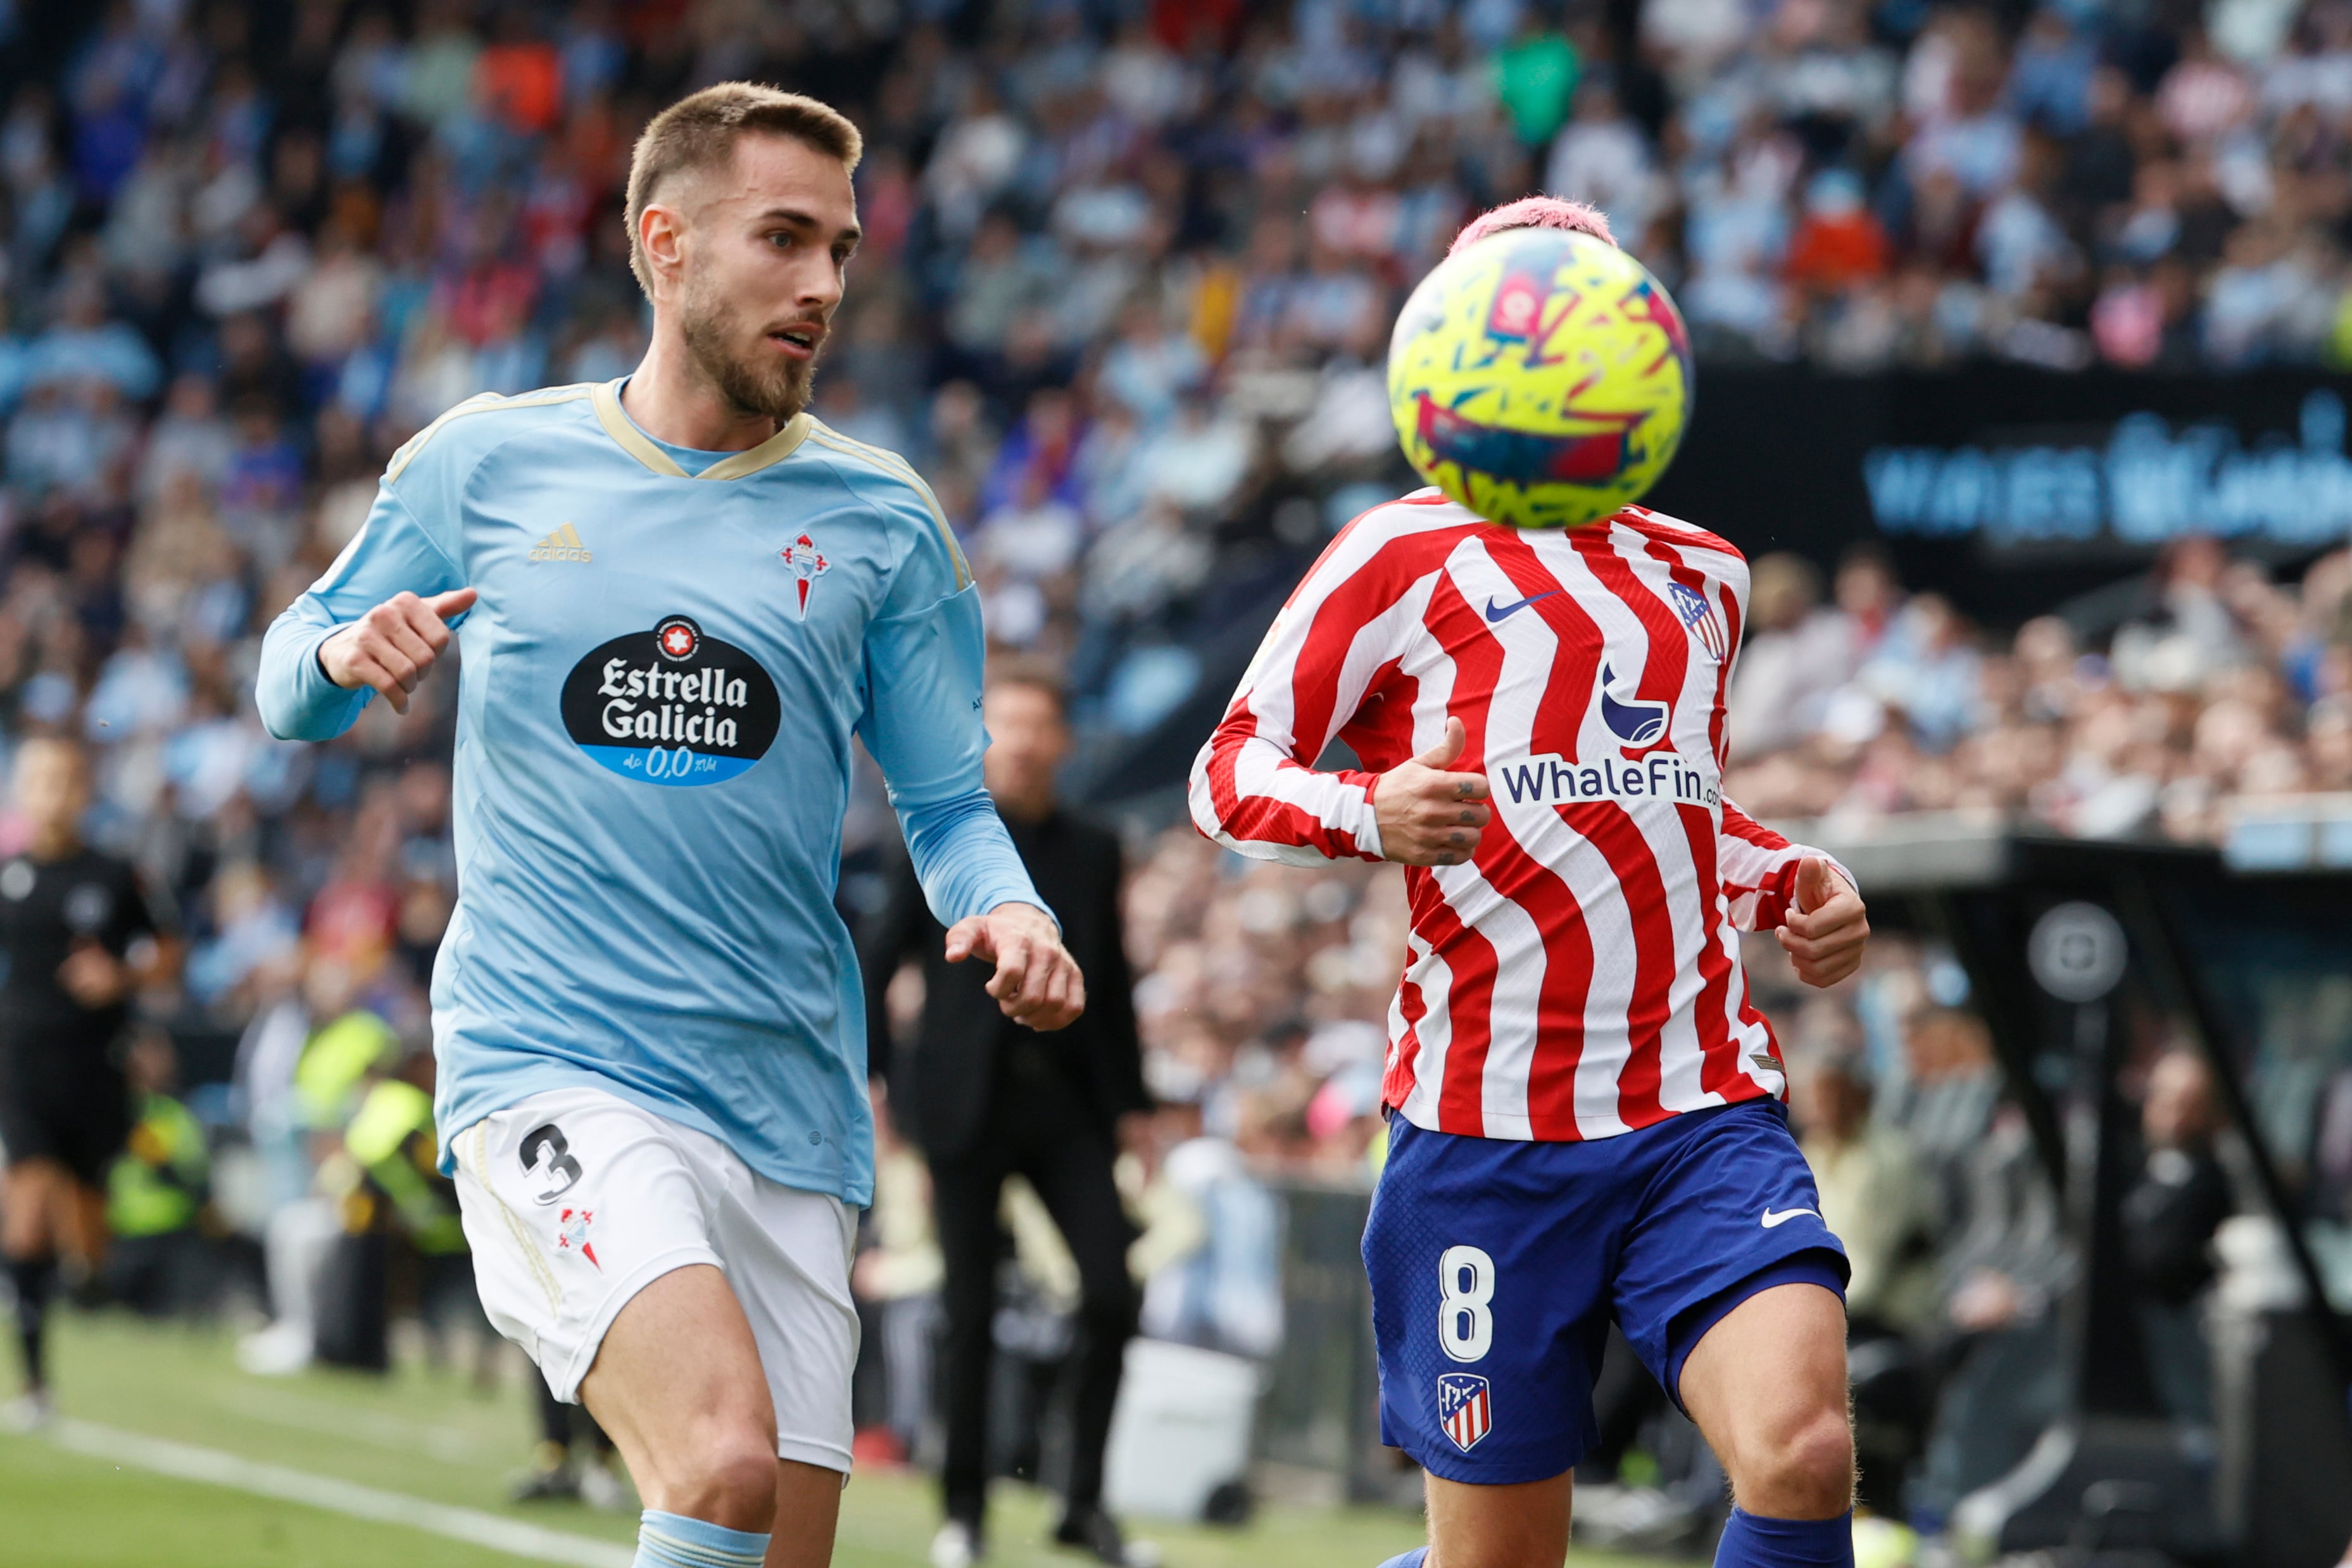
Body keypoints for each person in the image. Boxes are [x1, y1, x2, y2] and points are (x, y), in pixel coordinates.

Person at [256, 83, 1083, 1568]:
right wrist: (336, 656)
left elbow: (948, 803)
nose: (823, 282)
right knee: (716, 1464)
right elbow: (289, 678)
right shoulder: (484, 465)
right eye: (781, 237)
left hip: (789, 1099)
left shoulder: (883, 520)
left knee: (776, 1534)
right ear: (664, 245)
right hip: (551, 1056)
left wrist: (1011, 906)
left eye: (838, 246)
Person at [1190, 197, 1875, 1568]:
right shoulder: (1396, 550)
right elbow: (1226, 770)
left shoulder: (1707, 573)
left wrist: (1791, 871)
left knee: (1803, 1451)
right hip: (1483, 1133)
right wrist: (1367, 810)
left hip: (1699, 1103)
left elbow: (1668, 809)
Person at [862, 662, 1150, 1568]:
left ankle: (1081, 1502)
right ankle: (965, 1512)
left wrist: (1134, 1108)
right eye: (1007, 727)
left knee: (1111, 1291)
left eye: (1039, 727)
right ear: (986, 741)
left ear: (1063, 743)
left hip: (1067, 1108)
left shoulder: (1096, 848)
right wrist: (876, 1088)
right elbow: (874, 968)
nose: (1022, 744)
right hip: (960, 1108)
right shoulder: (943, 841)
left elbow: (1113, 990)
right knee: (967, 1308)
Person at [0, 734, 179, 1428]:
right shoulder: (9, 876)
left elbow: (168, 951)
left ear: (84, 791)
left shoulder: (112, 874)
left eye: (66, 779)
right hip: (20, 1065)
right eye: (40, 777)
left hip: (95, 1069)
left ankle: (92, 1278)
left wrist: (121, 976)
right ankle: (37, 1385)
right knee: (27, 1206)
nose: (52, 792)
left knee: (84, 1229)